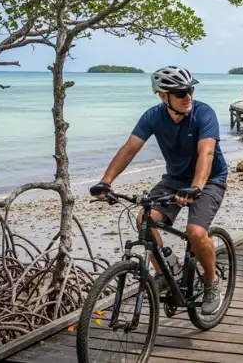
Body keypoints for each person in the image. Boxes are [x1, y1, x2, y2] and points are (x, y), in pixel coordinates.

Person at [89, 66, 227, 315]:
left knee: (195, 232)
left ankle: (210, 282)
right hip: (174, 179)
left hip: (209, 179)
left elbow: (205, 152)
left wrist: (196, 187)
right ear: (163, 96)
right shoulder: (153, 116)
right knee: (145, 219)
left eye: (190, 90)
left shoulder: (204, 113)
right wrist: (106, 182)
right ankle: (166, 272)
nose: (188, 97)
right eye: (180, 92)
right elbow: (129, 149)